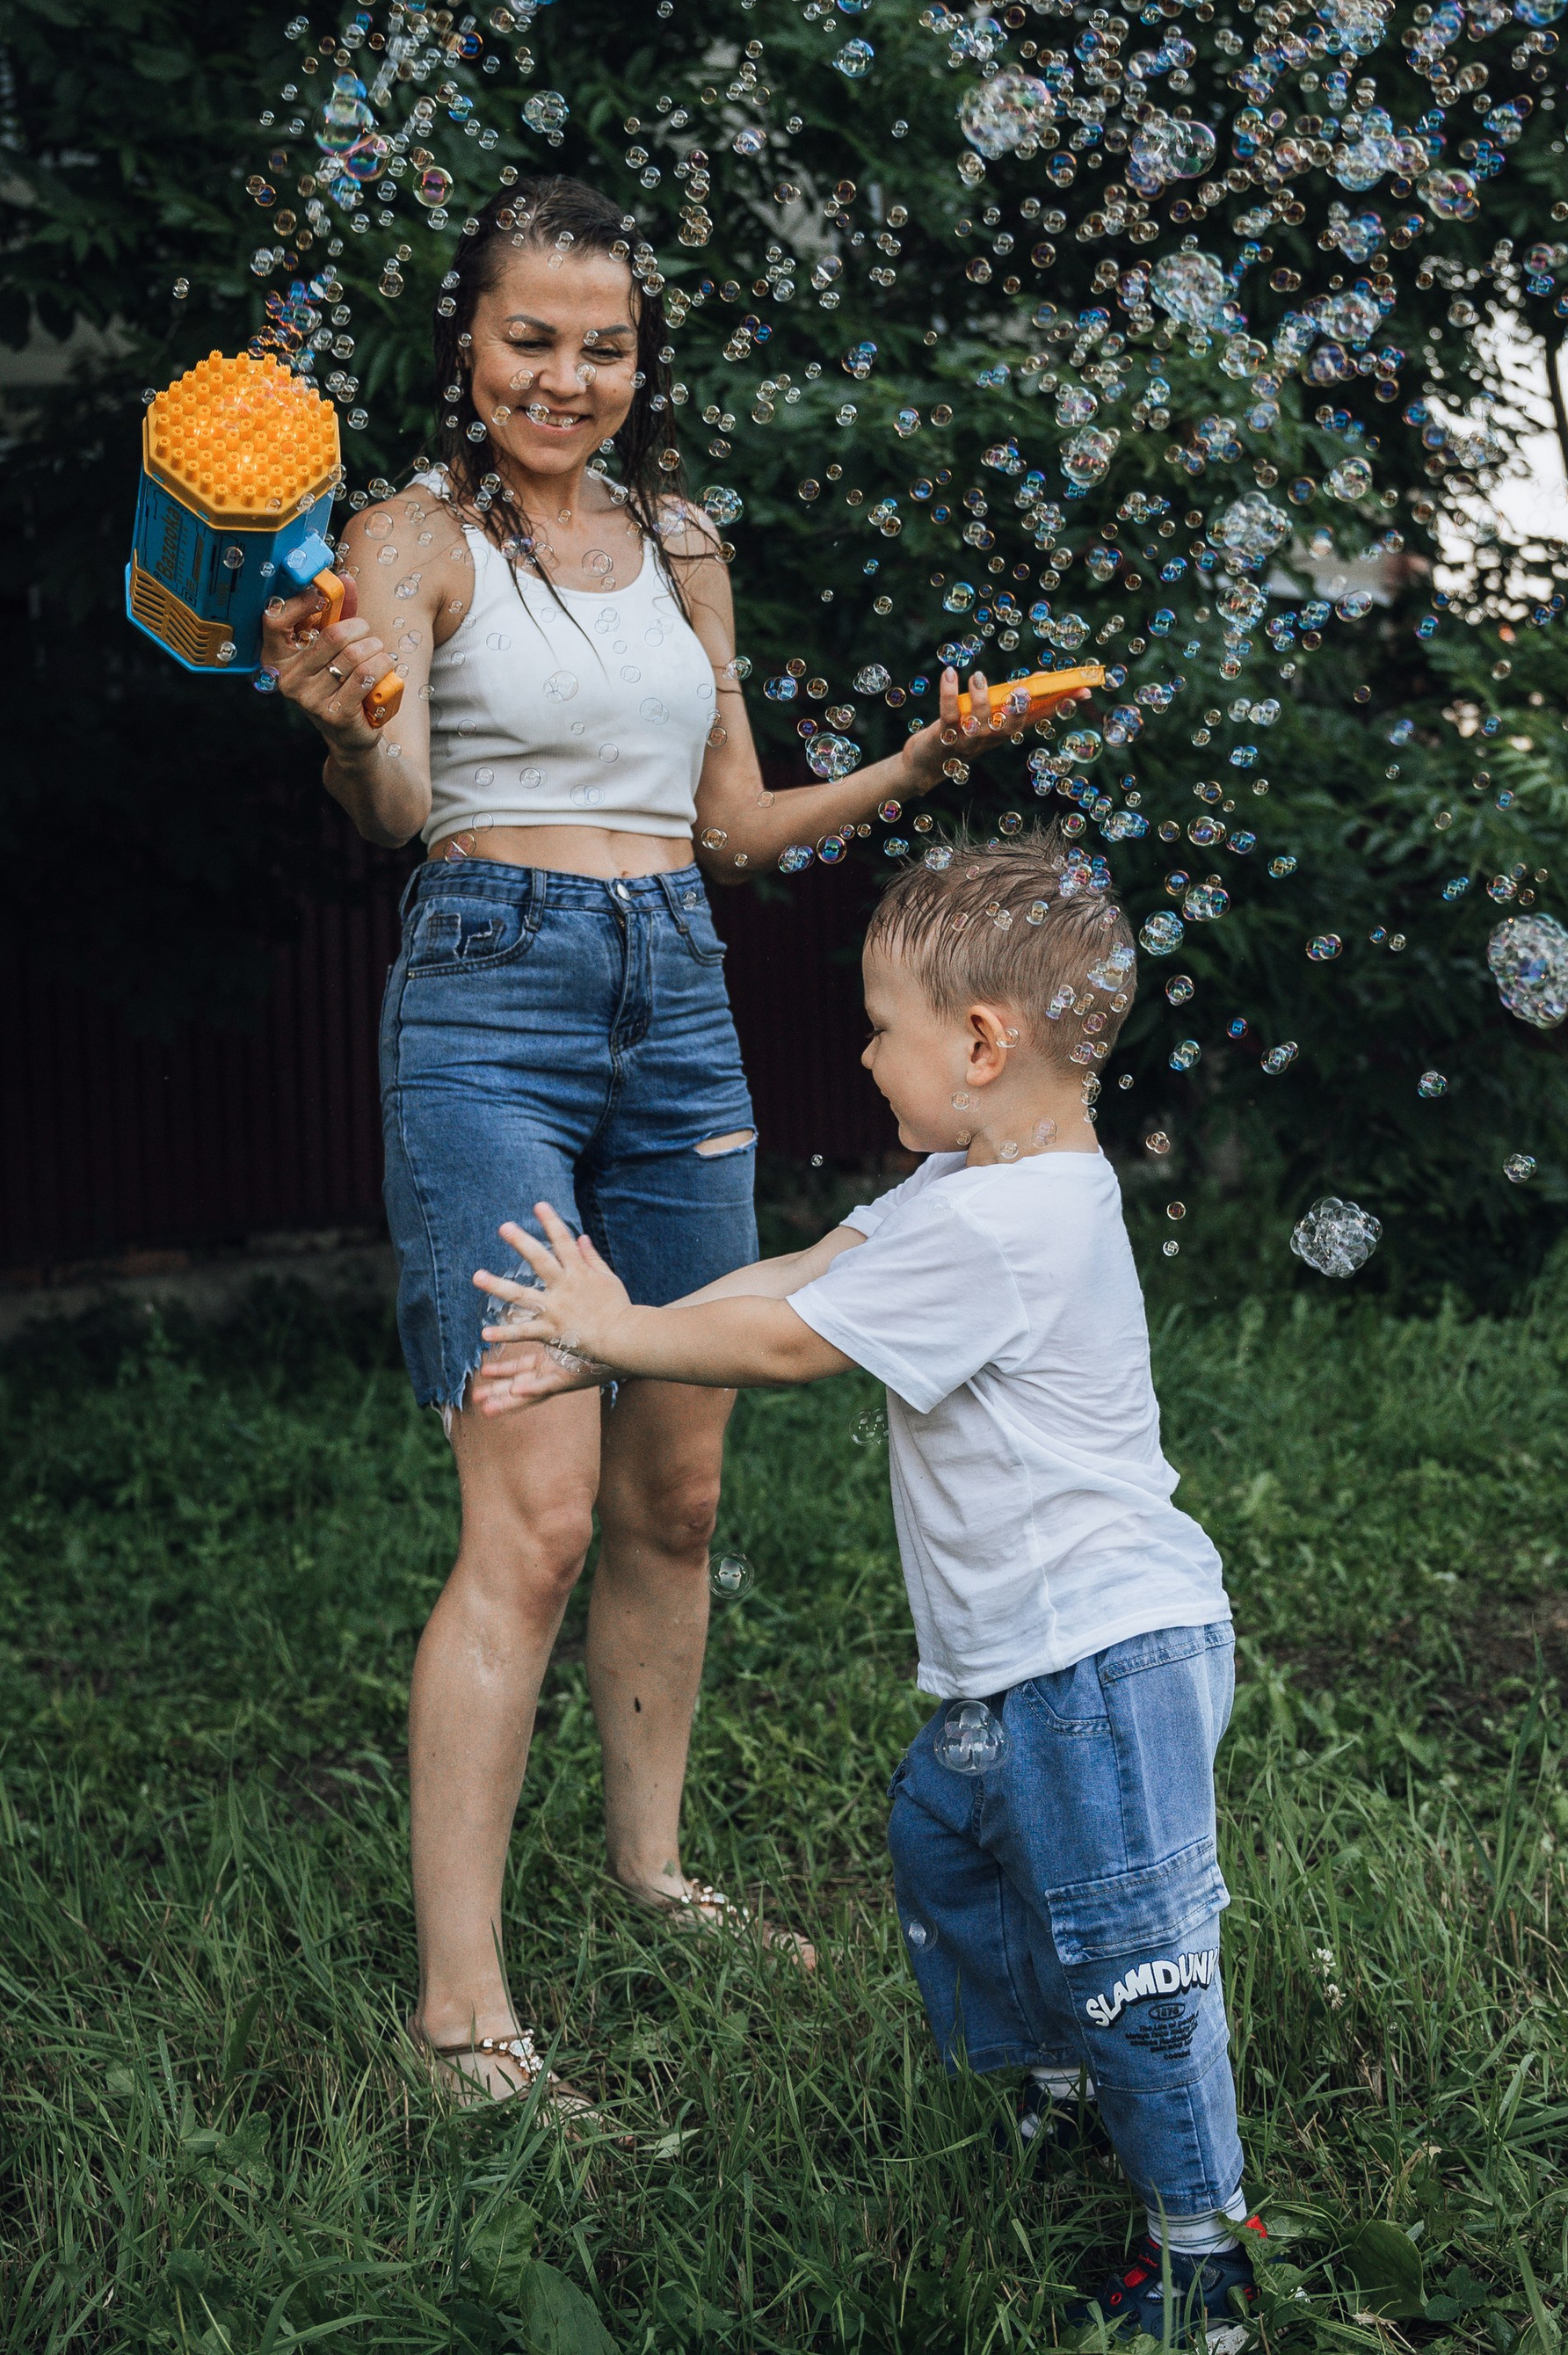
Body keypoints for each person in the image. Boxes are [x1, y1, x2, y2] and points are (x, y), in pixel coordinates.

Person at [259, 177, 1051, 2111]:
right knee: (527, 1521)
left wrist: (915, 766)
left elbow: (731, 822)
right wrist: (345, 716)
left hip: (672, 996)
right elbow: (397, 799)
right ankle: (460, 2011)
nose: (567, 374)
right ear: (469, 339)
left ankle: (646, 1863)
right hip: (491, 1004)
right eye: (531, 334)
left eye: (602, 343)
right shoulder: (411, 533)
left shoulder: (681, 539)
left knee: (674, 1498)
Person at [472, 829, 1261, 2347]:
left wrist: (622, 1338)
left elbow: (792, 1345)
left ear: (980, 1040)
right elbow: (803, 1273)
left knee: (1128, 1942)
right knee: (954, 1860)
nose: (862, 1050)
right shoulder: (969, 1185)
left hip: (1103, 1655)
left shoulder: (1008, 1223)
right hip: (1014, 1663)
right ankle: (1053, 2098)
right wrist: (613, 1325)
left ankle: (1200, 2251)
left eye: (882, 1027)